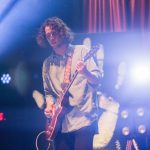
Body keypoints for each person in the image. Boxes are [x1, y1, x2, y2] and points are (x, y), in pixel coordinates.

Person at [37, 17, 103, 150]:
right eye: (48, 35)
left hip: (83, 118)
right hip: (60, 122)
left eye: (54, 33)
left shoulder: (81, 51)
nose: (51, 37)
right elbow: (48, 92)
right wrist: (50, 106)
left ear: (62, 32)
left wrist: (85, 72)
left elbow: (97, 79)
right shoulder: (47, 64)